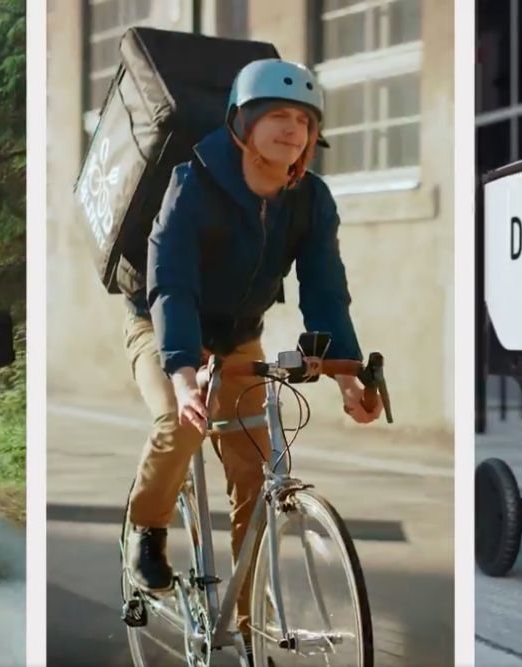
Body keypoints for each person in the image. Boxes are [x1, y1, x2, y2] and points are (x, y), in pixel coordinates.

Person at [121, 58, 382, 656]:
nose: (292, 130)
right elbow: (172, 285)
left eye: (303, 121)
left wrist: (345, 374)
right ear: (242, 123)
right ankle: (148, 527)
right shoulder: (193, 184)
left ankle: (245, 620)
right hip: (160, 323)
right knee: (178, 422)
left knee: (257, 465)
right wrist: (184, 375)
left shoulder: (311, 200)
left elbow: (325, 290)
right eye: (277, 117)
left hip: (239, 334)